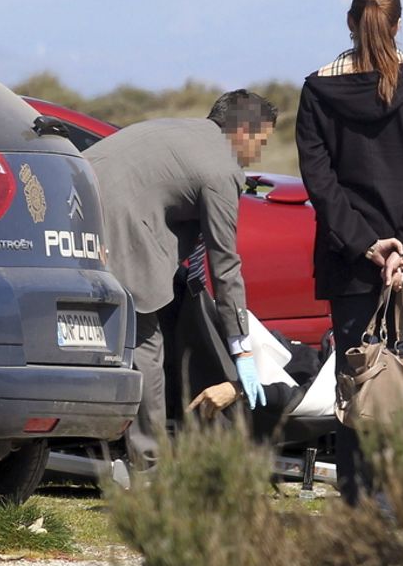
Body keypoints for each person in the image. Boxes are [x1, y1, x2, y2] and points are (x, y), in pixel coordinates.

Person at [296, 0, 403, 505]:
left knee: (360, 388)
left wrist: (370, 245)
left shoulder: (318, 90)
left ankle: (360, 504)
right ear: (399, 25)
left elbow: (320, 183)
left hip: (351, 265)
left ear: (349, 22)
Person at [84, 90, 277, 468]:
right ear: (245, 131)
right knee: (146, 349)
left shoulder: (179, 129)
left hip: (73, 217)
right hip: (120, 232)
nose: (259, 154)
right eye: (262, 142)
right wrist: (242, 348)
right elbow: (225, 265)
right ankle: (150, 464)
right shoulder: (221, 170)